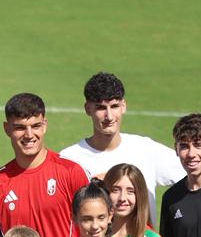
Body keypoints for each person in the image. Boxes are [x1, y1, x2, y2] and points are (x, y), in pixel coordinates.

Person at [60, 73, 183, 219]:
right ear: (88, 109)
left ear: (123, 106)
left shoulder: (146, 149)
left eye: (114, 106)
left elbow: (198, 171)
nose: (109, 116)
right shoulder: (69, 159)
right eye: (101, 108)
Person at [0, 92, 89, 237]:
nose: (29, 134)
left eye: (36, 126)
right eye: (20, 127)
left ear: (45, 125)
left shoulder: (71, 172)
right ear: (6, 128)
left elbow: (95, 230)